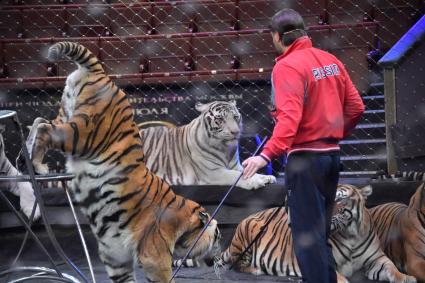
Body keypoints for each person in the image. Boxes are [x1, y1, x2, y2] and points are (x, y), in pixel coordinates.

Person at [242, 8, 365, 283]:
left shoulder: (286, 66)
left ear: (277, 37)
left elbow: (289, 120)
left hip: (305, 160)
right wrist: (332, 133)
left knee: (308, 241)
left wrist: (264, 156)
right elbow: (356, 107)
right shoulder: (329, 60)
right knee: (319, 236)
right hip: (331, 157)